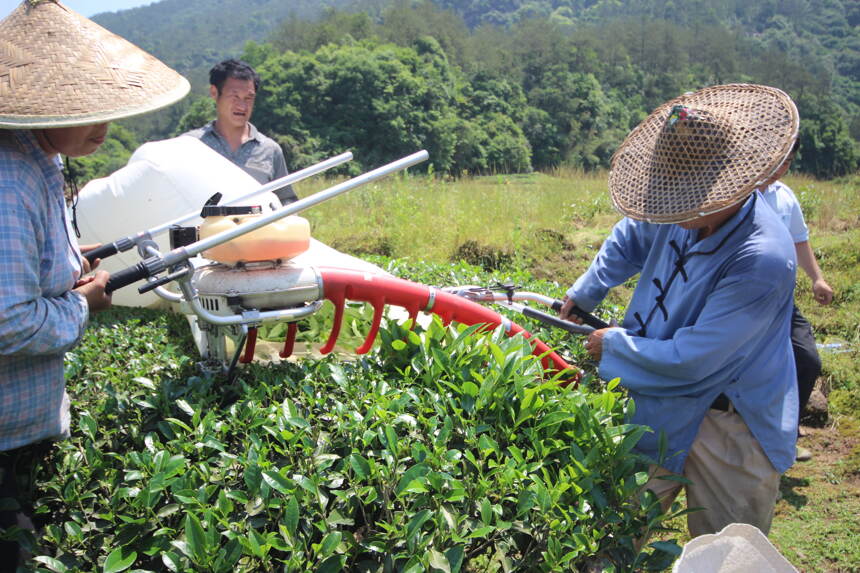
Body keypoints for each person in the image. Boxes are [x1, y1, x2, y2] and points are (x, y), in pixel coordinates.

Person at [559, 84, 800, 538]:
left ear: (730, 185)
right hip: (657, 400)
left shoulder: (762, 258)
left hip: (731, 422)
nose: (669, 208)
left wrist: (611, 346)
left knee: (728, 553)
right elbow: (631, 237)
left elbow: (695, 359)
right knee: (608, 536)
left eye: (683, 196)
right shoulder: (675, 212)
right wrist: (586, 292)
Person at [0, 1, 188, 568]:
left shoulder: (40, 159)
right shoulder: (9, 182)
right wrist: (84, 304)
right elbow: (8, 321)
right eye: (84, 110)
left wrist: (64, 256)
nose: (104, 126)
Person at [758, 146, 833, 462]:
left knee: (807, 360)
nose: (782, 167)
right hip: (740, 302)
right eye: (779, 159)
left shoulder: (784, 196)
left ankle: (785, 434)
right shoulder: (737, 195)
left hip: (780, 301)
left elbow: (799, 240)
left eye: (788, 161)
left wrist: (817, 278)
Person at [183, 58, 297, 205]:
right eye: (234, 96)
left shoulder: (270, 150)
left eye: (248, 98)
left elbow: (286, 201)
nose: (242, 106)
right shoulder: (191, 145)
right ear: (214, 93)